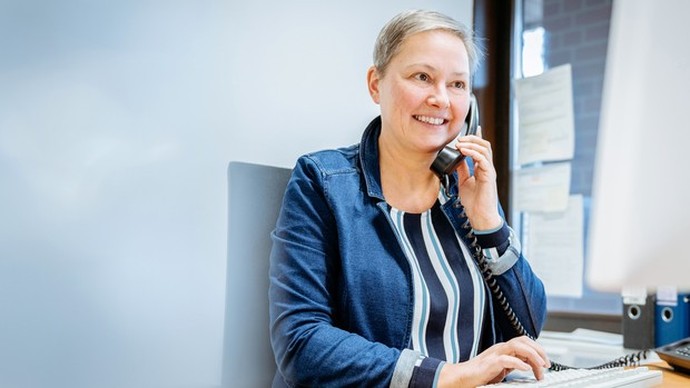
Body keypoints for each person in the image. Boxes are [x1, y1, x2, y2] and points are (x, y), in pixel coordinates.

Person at [269, 9, 548, 387]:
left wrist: (488, 223)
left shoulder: (465, 189)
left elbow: (529, 324)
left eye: (458, 85)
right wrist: (446, 376)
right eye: (422, 77)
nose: (441, 99)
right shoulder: (323, 183)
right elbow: (300, 342)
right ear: (375, 84)